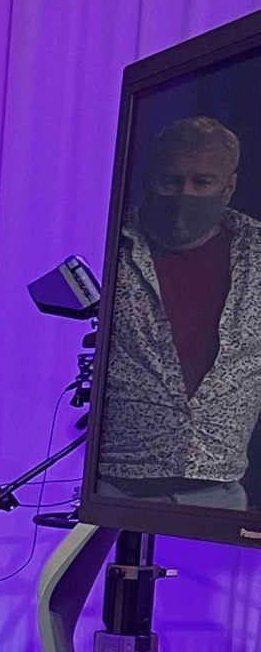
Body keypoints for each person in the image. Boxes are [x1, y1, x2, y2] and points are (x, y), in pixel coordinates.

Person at [97, 115, 261, 512]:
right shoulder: (110, 243)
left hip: (219, 488)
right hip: (113, 483)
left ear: (228, 188)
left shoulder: (256, 252)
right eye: (170, 181)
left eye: (202, 182)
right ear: (148, 180)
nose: (185, 194)